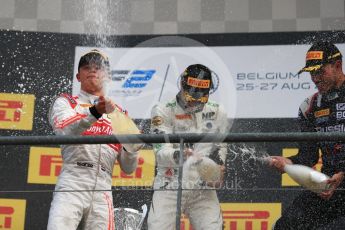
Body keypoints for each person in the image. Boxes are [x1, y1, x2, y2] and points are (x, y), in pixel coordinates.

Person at [47, 49, 139, 230]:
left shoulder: (120, 114)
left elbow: (129, 168)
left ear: (108, 77)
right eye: (87, 67)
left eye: (98, 68)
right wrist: (95, 112)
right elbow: (64, 129)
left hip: (103, 189)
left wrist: (131, 148)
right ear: (78, 76)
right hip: (73, 181)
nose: (92, 71)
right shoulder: (67, 102)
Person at [270, 41, 345, 229]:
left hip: (338, 181)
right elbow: (308, 155)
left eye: (320, 71)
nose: (315, 78)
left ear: (337, 65)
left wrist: (343, 174)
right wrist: (289, 163)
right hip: (329, 186)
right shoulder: (309, 107)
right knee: (285, 225)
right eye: (312, 73)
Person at [147, 64, 228, 230]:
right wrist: (180, 155)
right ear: (182, 85)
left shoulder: (219, 111)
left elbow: (221, 147)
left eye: (201, 97)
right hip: (169, 183)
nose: (196, 101)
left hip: (202, 187)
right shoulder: (161, 110)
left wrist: (219, 168)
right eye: (191, 95)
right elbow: (160, 152)